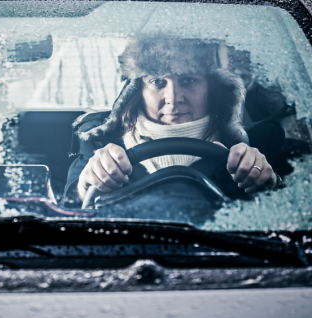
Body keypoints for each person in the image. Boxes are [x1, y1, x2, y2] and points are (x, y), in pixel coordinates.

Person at [62, 37, 283, 205]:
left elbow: (296, 211)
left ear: (211, 86)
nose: (173, 98)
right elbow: (68, 210)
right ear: (138, 88)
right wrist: (87, 183)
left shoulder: (257, 143)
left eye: (188, 80)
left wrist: (269, 181)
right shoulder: (99, 138)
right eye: (158, 82)